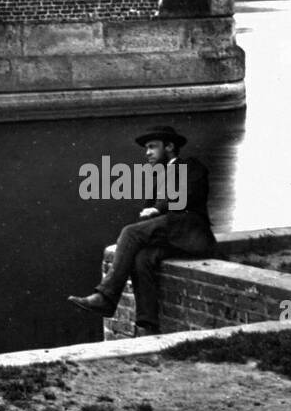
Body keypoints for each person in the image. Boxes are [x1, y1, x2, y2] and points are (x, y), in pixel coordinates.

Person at [68, 125, 217, 336]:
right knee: (142, 259)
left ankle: (105, 297)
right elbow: (148, 214)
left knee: (130, 232)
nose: (147, 152)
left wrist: (158, 208)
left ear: (170, 146)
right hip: (171, 238)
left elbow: (188, 195)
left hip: (192, 234)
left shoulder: (191, 166)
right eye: (146, 148)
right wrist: (153, 210)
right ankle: (147, 326)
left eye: (152, 147)